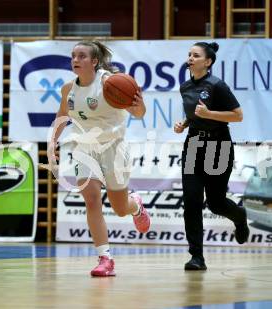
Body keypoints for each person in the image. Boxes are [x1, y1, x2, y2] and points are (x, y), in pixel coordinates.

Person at [49, 40, 150, 277]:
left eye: (82, 56)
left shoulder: (111, 83)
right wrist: (53, 141)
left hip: (114, 146)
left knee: (120, 208)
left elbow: (139, 113)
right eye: (73, 56)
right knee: (92, 200)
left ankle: (135, 206)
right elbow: (62, 115)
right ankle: (105, 258)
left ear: (94, 61)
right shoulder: (68, 89)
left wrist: (139, 104)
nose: (76, 60)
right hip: (83, 147)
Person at [174, 42, 249, 271]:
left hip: (219, 144)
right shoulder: (185, 86)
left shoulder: (218, 86)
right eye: (189, 54)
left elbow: (238, 116)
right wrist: (184, 124)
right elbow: (194, 114)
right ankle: (196, 256)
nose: (190, 58)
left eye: (196, 55)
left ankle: (239, 216)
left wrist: (210, 114)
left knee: (216, 204)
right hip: (194, 143)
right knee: (192, 201)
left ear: (208, 62)